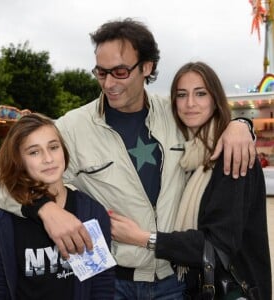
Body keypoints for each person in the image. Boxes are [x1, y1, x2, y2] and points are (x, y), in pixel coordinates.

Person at [0, 19, 256, 299]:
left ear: (147, 67)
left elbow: (214, 123)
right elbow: (5, 182)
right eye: (101, 72)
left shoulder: (176, 113)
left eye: (119, 72)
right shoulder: (72, 128)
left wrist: (241, 125)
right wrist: (47, 210)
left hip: (177, 282)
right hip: (111, 283)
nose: (109, 83)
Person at [109, 62, 272, 299]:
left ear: (216, 99)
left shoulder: (232, 156)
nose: (190, 104)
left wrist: (142, 238)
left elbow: (217, 245)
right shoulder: (188, 155)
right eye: (181, 95)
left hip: (231, 288)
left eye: (201, 93)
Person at [0, 113, 115, 300]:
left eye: (54, 147)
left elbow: (101, 287)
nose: (48, 158)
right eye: (34, 152)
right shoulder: (0, 227)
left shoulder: (90, 212)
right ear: (19, 161)